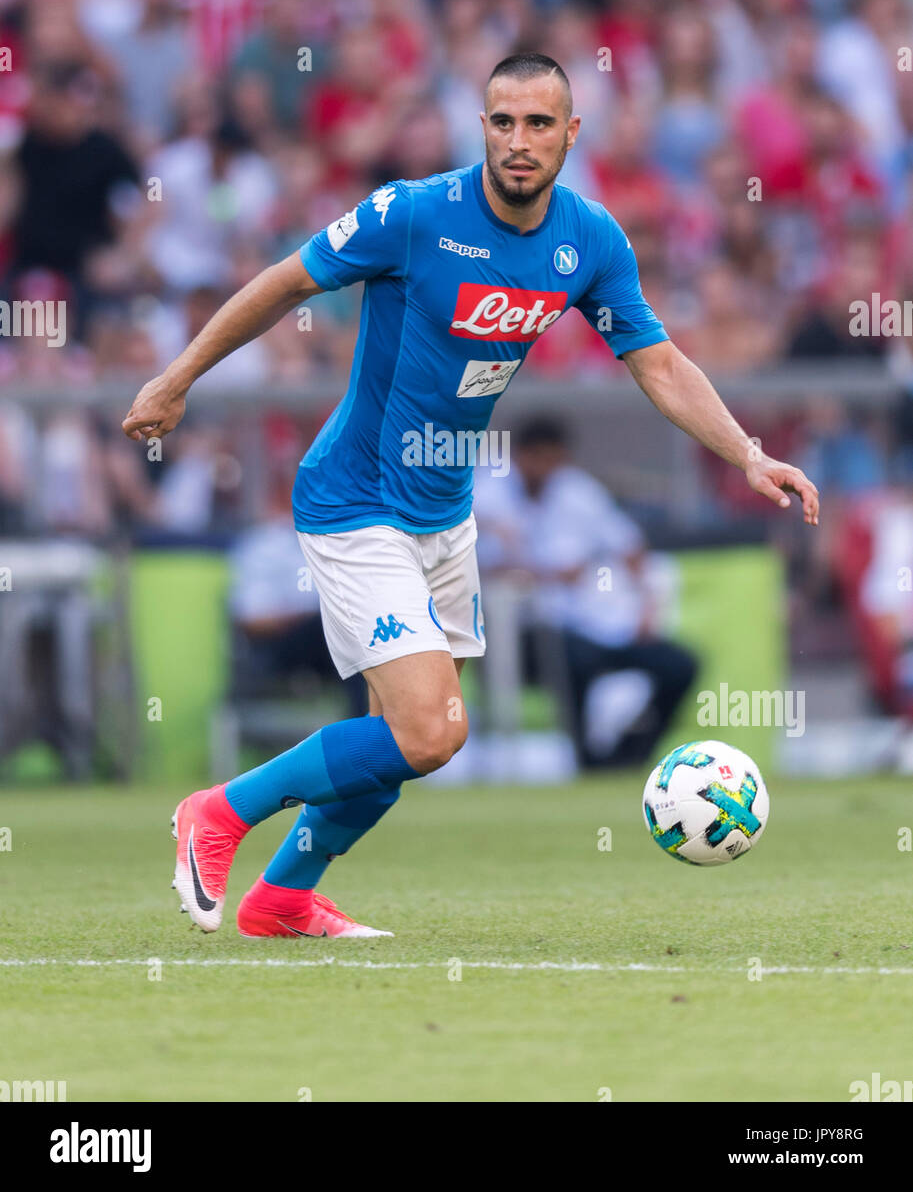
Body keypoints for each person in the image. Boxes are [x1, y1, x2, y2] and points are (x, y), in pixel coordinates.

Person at [122, 53, 819, 940]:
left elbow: (659, 363)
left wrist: (748, 454)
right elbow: (286, 281)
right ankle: (218, 811)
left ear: (571, 134)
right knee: (429, 733)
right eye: (502, 122)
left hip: (444, 512)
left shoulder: (590, 240)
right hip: (356, 498)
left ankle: (284, 896)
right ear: (480, 127)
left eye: (538, 124)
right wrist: (178, 379)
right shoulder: (413, 214)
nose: (518, 142)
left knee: (402, 739)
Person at [474, 419, 699, 769]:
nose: (546, 470)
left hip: (596, 623)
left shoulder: (579, 492)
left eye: (554, 460)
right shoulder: (487, 495)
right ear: (520, 456)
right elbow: (481, 568)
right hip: (526, 632)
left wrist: (647, 607)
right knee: (574, 660)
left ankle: (628, 758)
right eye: (539, 459)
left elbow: (631, 548)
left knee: (680, 665)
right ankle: (586, 762)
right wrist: (548, 574)